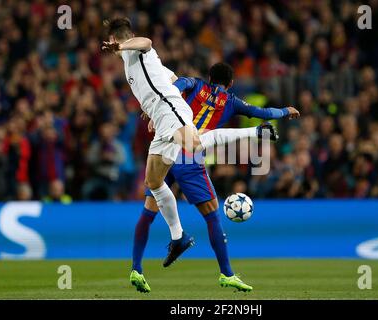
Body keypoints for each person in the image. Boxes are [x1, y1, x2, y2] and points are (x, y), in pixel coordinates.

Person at [102, 18, 278, 289]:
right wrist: (151, 110)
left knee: (195, 147)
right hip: (162, 121)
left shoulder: (138, 49)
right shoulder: (135, 64)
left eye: (115, 42)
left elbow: (146, 42)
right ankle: (179, 237)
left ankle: (255, 134)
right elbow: (170, 78)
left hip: (174, 113)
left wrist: (122, 46)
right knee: (153, 183)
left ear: (117, 39)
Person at [131, 62, 300, 293]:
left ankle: (136, 269)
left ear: (209, 77)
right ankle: (227, 273)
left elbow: (178, 83)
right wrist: (285, 111)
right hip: (189, 156)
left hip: (165, 149)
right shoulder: (232, 102)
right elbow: (263, 114)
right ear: (231, 83)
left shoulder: (195, 85)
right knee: (212, 216)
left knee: (149, 210)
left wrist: (157, 107)